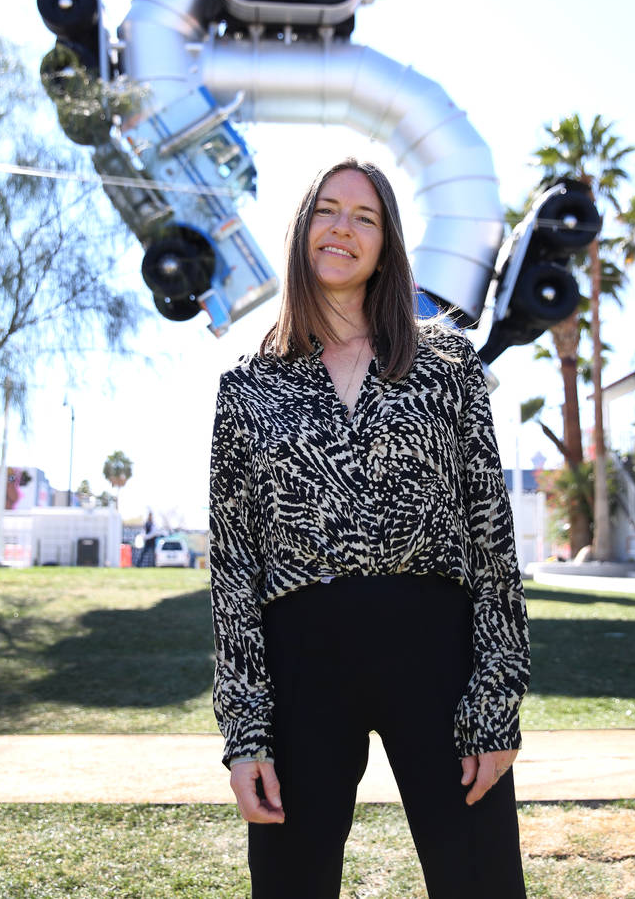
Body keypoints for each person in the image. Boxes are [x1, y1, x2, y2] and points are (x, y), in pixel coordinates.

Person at [208, 158, 530, 899]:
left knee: (479, 880)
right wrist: (246, 735)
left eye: (365, 216)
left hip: (436, 656)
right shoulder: (247, 390)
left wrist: (495, 701)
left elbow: (491, 536)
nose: (342, 229)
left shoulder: (447, 364)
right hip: (302, 664)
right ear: (300, 230)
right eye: (326, 210)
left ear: (386, 243)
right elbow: (232, 572)